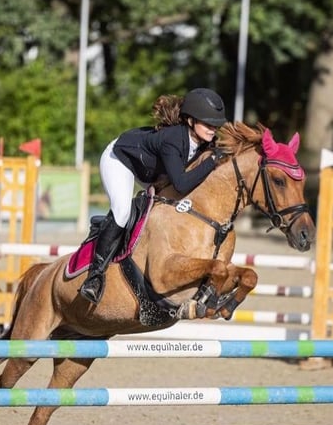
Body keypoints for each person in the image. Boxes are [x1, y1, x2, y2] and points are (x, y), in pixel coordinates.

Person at [79, 87, 229, 305]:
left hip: (150, 169)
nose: (212, 129)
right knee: (122, 212)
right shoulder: (173, 140)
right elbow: (181, 183)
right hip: (120, 161)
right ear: (190, 121)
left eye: (215, 125)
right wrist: (212, 161)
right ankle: (94, 276)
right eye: (207, 124)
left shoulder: (205, 141)